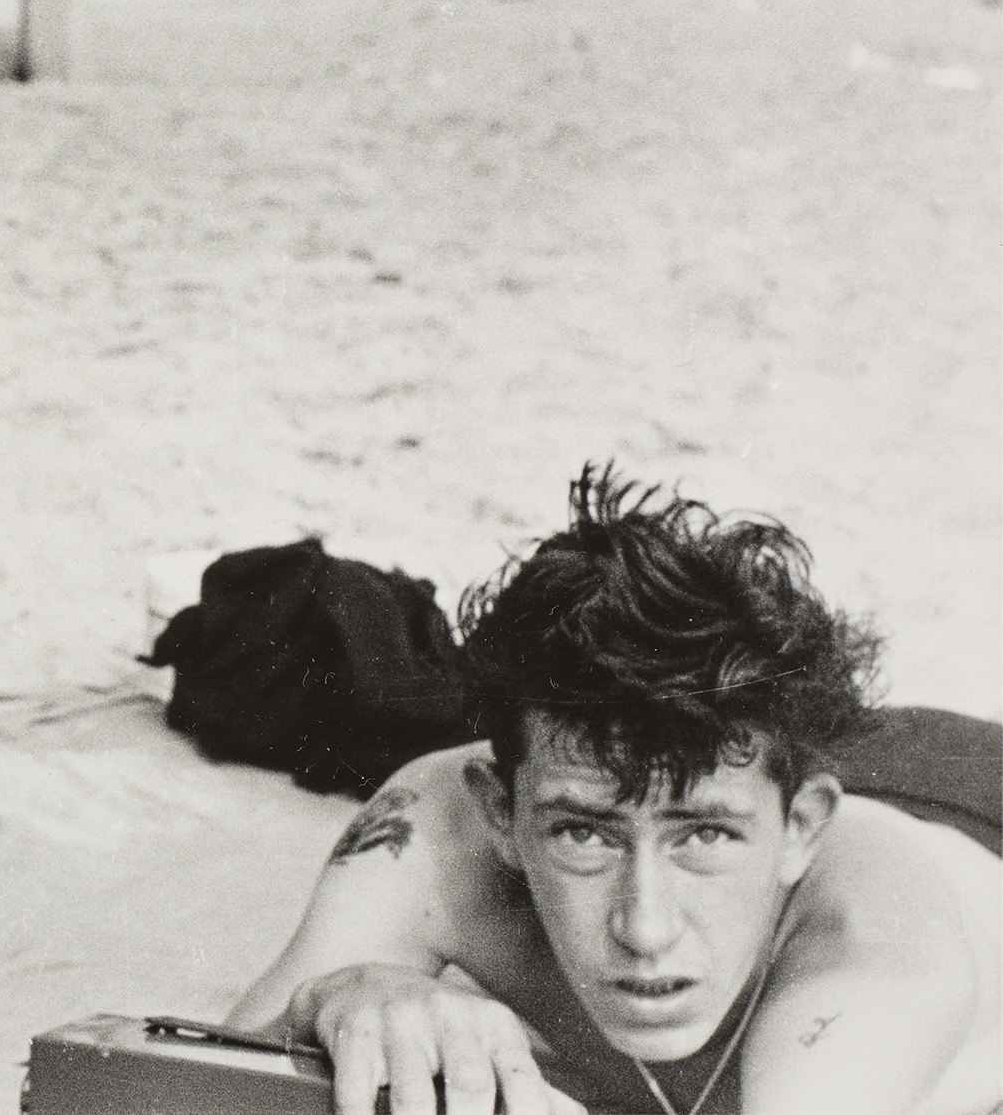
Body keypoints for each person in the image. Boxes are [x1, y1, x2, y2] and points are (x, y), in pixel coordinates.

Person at [227, 468, 1000, 1115]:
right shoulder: (444, 821)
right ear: (503, 811)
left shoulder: (879, 959)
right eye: (583, 835)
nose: (645, 928)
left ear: (802, 827)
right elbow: (182, 1085)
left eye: (703, 838)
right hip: (748, 756)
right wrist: (339, 997)